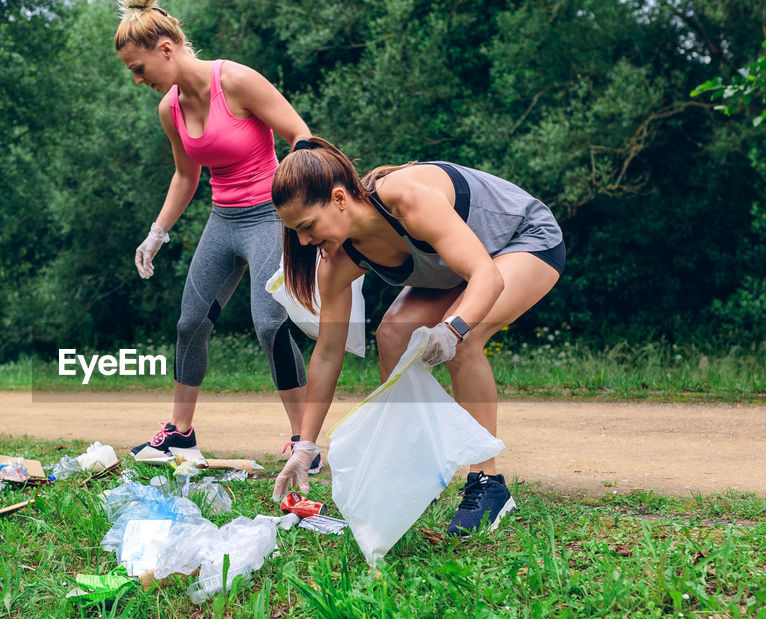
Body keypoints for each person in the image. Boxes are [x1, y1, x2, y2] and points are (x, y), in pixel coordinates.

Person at [269, 137, 566, 536]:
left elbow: (486, 276)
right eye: (296, 232)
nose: (304, 242)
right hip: (457, 269)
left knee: (467, 337)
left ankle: (488, 484)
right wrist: (306, 444)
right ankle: (419, 470)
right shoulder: (336, 260)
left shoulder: (407, 198)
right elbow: (326, 354)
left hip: (522, 240)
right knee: (391, 335)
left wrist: (452, 329)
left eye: (307, 227)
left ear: (339, 198)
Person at [114, 0, 317, 467]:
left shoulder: (237, 81)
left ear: (166, 49)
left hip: (269, 215)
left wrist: (301, 208)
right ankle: (181, 434)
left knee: (270, 325)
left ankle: (303, 441)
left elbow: (301, 138)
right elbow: (186, 177)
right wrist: (156, 234)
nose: (138, 80)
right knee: (190, 324)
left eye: (139, 68)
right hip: (223, 220)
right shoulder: (171, 109)